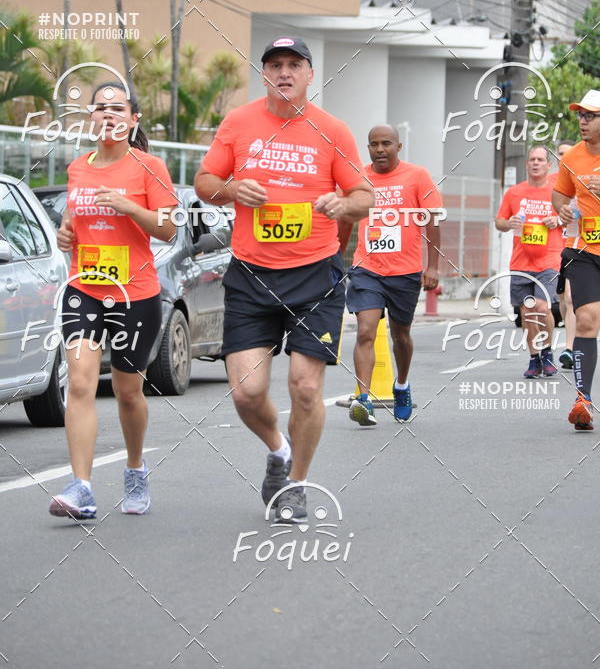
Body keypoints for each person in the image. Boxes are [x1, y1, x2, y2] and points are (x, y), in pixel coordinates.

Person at [194, 36, 373, 523]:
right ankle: (278, 450)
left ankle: (295, 485)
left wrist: (342, 204)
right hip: (251, 276)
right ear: (264, 74)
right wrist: (231, 188)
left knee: (306, 389)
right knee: (248, 394)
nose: (285, 73)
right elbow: (204, 182)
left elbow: (364, 195)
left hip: (315, 275)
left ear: (311, 75)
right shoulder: (239, 123)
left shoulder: (331, 130)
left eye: (295, 65)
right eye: (275, 65)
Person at [49, 81, 178, 520]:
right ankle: (81, 488)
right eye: (100, 108)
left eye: (117, 108)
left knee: (127, 392)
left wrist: (129, 207)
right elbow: (73, 222)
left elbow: (168, 229)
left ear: (133, 119)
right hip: (84, 287)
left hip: (135, 294)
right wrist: (66, 234)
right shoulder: (77, 168)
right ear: (91, 118)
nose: (108, 115)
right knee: (82, 382)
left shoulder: (150, 166)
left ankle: (136, 467)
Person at [337, 125, 442, 426]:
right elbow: (346, 219)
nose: (380, 149)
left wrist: (432, 266)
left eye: (386, 144)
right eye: (373, 144)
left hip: (405, 271)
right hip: (367, 268)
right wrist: (334, 257)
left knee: (401, 336)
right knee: (366, 330)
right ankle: (364, 399)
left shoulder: (417, 176)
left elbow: (433, 220)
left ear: (398, 146)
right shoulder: (358, 178)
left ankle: (402, 385)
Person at [552, 91, 600, 430]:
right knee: (586, 320)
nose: (583, 121)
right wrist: (563, 208)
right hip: (585, 251)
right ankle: (582, 399)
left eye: (590, 116)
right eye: (580, 115)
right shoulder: (573, 157)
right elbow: (559, 195)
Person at [495, 145, 562, 378]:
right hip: (521, 261)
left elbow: (571, 214)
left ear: (548, 165)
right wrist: (510, 222)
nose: (535, 163)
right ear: (527, 164)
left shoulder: (557, 191)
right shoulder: (514, 192)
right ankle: (534, 359)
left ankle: (548, 353)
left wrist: (556, 219)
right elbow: (499, 222)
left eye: (540, 159)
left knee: (542, 307)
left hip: (549, 258)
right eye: (532, 159)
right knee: (527, 311)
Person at [550, 140, 576, 370]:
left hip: (581, 248)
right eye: (559, 154)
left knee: (570, 298)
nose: (563, 158)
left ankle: (571, 348)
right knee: (564, 303)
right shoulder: (551, 183)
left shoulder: (584, 178)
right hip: (558, 252)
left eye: (567, 154)